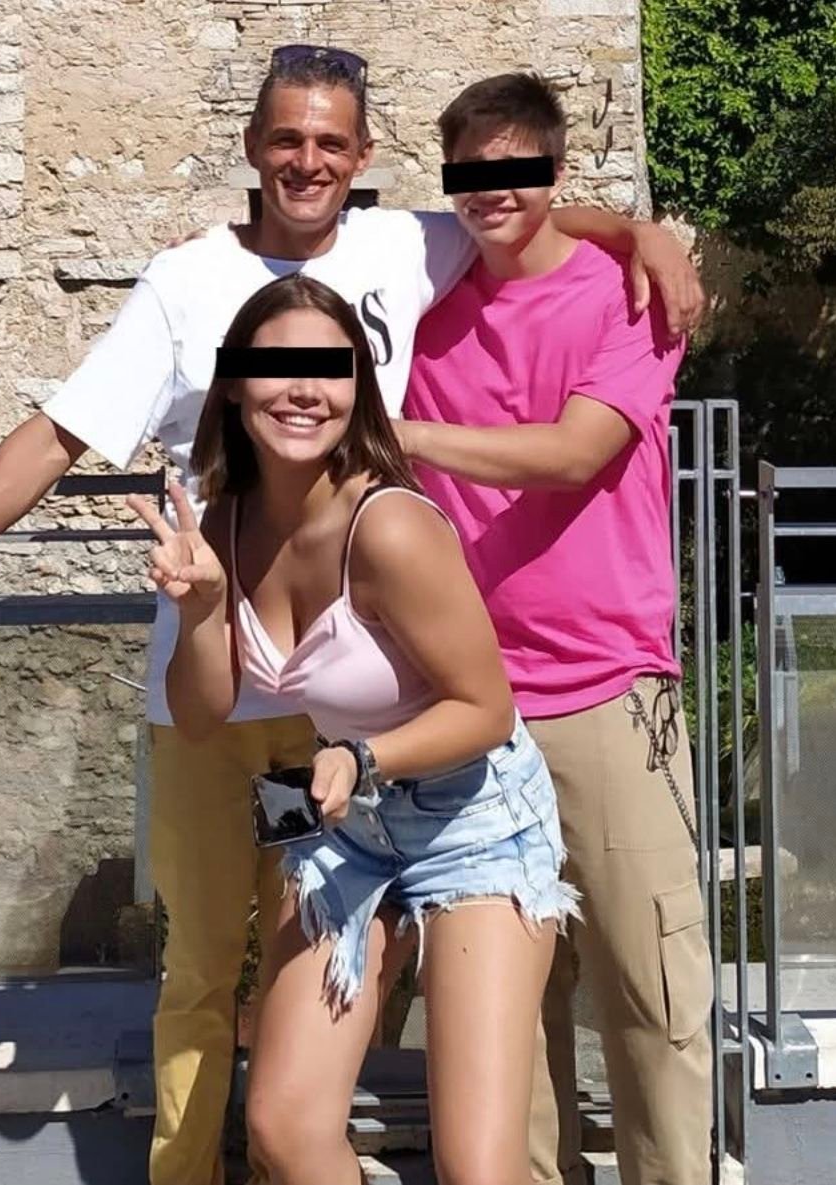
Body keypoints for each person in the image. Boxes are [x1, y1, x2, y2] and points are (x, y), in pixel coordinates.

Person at [0, 46, 704, 1185]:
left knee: (382, 1015)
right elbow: (54, 436)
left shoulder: (400, 249)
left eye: (331, 142)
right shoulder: (186, 282)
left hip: (365, 715)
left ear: (364, 158)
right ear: (250, 147)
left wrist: (642, 234)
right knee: (202, 968)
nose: (307, 161)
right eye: (286, 139)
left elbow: (514, 209)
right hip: (231, 680)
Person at [130, 270, 577, 1185]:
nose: (304, 390)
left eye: (329, 369)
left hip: (473, 822)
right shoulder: (226, 519)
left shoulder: (390, 527)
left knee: (477, 1166)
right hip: (349, 827)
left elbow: (485, 709)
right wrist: (203, 608)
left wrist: (360, 755)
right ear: (233, 384)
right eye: (277, 367)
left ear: (358, 388)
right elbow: (202, 713)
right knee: (286, 1129)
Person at [397, 74, 714, 1185]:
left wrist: (402, 434)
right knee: (503, 1021)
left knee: (651, 992)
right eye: (469, 172)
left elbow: (575, 453)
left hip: (607, 692)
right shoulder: (423, 293)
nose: (491, 191)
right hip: (467, 706)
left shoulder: (629, 293)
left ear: (554, 168)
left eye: (516, 168)